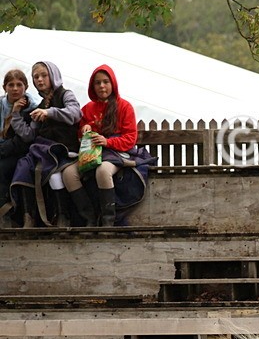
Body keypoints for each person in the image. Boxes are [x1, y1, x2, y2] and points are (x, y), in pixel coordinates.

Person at [59, 64, 154, 227]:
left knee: (103, 171)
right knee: (68, 173)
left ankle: (108, 220)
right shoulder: (88, 108)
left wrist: (107, 141)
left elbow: (130, 138)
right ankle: (89, 217)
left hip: (116, 153)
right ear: (92, 86)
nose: (102, 86)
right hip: (93, 154)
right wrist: (85, 130)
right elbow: (81, 135)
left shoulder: (125, 107)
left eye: (105, 82)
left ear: (113, 84)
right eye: (97, 83)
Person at [9, 61, 81, 227]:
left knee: (54, 175)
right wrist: (16, 114)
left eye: (44, 75)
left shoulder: (66, 95)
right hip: (45, 151)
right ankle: (29, 217)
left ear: (53, 76)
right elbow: (29, 135)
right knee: (23, 165)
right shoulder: (41, 105)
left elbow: (75, 113)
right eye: (36, 77)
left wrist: (50, 112)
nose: (40, 80)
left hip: (64, 150)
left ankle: (63, 217)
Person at [0, 69, 40, 225]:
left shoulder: (32, 108)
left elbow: (26, 139)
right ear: (5, 87)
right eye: (11, 85)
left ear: (26, 87)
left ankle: (6, 214)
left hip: (21, 152)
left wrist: (16, 112)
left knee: (3, 168)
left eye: (19, 85)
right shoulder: (1, 105)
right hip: (4, 149)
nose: (15, 89)